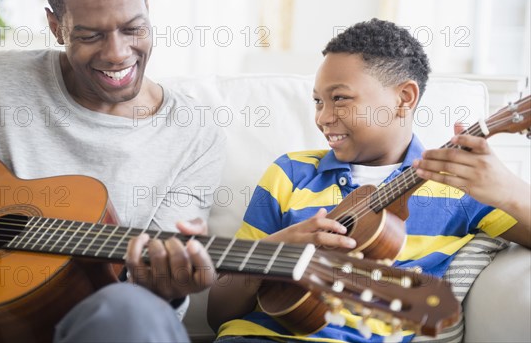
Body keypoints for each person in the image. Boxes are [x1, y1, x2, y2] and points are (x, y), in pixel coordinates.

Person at [0, 0, 225, 342]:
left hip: (101, 325)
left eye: (133, 28)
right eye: (90, 35)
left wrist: (167, 288)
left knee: (132, 308)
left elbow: (148, 288)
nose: (118, 53)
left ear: (148, 4)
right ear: (57, 27)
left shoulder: (193, 132)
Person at [207, 18, 530, 343]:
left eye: (341, 98)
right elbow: (218, 312)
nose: (323, 117)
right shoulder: (290, 174)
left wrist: (509, 191)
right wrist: (276, 250)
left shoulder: (456, 186)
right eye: (318, 101)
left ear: (404, 98)